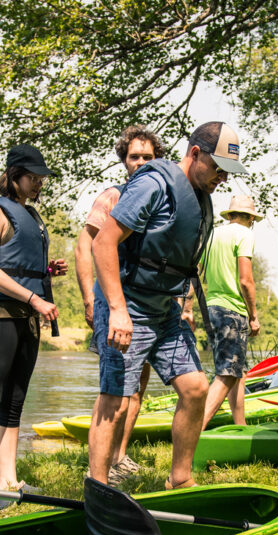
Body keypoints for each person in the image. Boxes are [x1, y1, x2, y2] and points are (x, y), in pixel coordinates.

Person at [89, 121, 247, 488]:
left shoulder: (201, 196)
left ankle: (180, 479)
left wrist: (185, 306)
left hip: (165, 311)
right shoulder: (153, 184)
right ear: (195, 154)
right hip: (127, 304)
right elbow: (103, 243)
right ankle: (97, 487)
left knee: (195, 389)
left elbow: (182, 264)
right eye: (218, 168)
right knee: (115, 398)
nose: (222, 178)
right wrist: (116, 309)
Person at [0, 144, 67, 510]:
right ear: (13, 175)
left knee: (14, 403)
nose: (38, 184)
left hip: (27, 319)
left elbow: (15, 261)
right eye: (32, 177)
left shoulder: (29, 214)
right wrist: (35, 298)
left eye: (41, 179)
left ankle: (8, 481)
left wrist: (46, 271)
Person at [76, 125, 166, 484]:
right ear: (124, 161)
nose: (141, 162)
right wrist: (88, 297)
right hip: (112, 303)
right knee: (116, 386)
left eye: (147, 156)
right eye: (134, 157)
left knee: (138, 384)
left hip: (146, 305)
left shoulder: (160, 198)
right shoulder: (111, 196)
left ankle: (120, 456)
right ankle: (99, 468)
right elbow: (87, 246)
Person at [201, 195, 263, 426]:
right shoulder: (245, 234)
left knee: (238, 370)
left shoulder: (212, 234)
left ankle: (240, 425)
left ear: (231, 215)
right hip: (232, 310)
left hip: (211, 307)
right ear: (250, 218)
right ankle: (196, 428)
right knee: (227, 374)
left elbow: (198, 269)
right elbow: (246, 280)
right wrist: (253, 316)